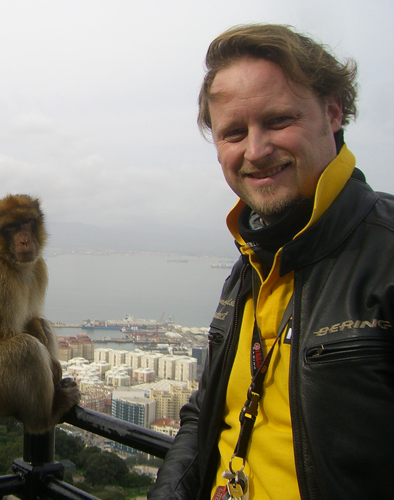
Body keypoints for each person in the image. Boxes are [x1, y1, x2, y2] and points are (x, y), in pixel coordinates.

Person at [148, 24, 393, 500]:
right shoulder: (250, 265)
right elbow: (208, 411)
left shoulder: (384, 255)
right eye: (234, 133)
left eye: (278, 121)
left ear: (333, 111)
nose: (255, 151)